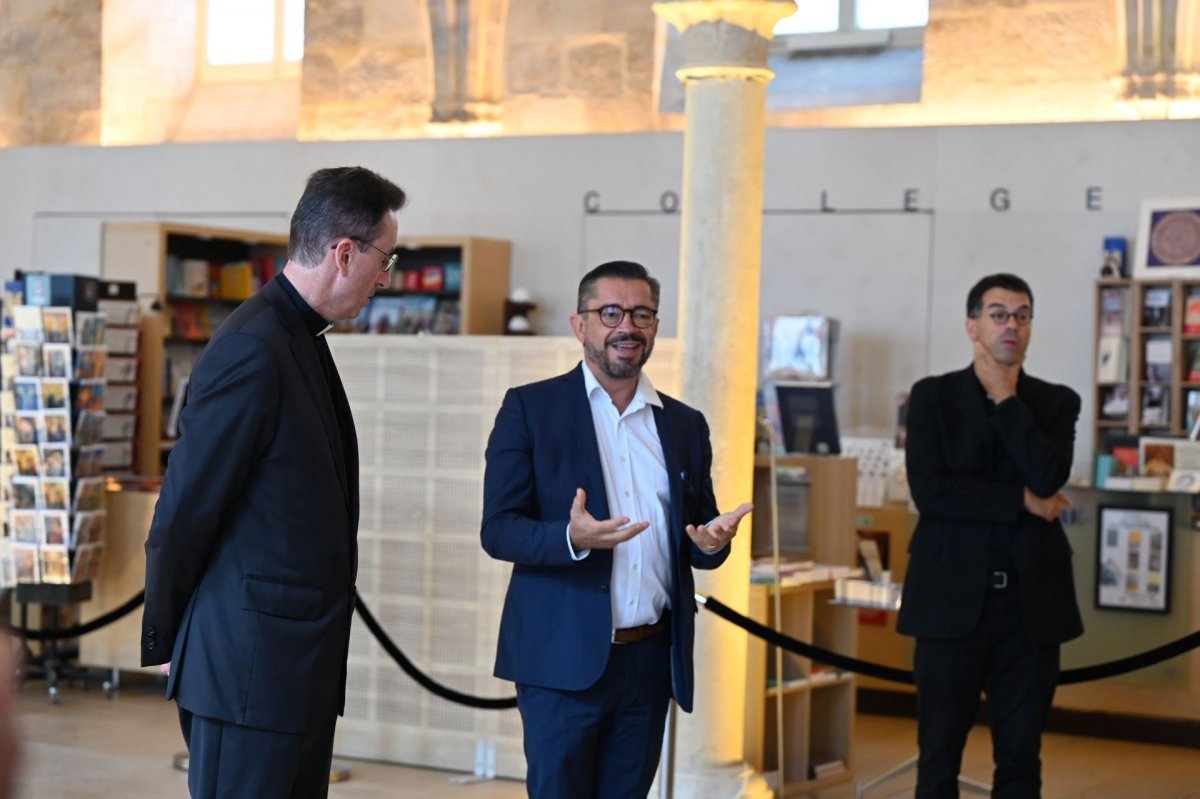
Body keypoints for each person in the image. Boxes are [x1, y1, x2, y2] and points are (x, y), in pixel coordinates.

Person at [140, 166, 407, 799]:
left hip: (291, 670)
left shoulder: (301, 337)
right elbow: (185, 508)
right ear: (345, 254)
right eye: (385, 260)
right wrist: (169, 635)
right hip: (247, 673)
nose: (385, 278)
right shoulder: (254, 347)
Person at [481, 260, 753, 798]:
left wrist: (711, 546)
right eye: (609, 313)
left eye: (641, 313)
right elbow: (499, 530)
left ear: (654, 325)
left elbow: (698, 533)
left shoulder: (684, 424)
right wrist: (569, 538)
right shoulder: (530, 409)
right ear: (580, 325)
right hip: (561, 661)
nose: (626, 326)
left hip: (648, 663)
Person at [897, 273, 1083, 798]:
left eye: (1022, 315)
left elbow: (1048, 475)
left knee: (1021, 757)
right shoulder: (932, 397)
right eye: (998, 314)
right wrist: (1021, 500)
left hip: (1030, 608)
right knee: (937, 756)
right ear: (972, 325)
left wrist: (1006, 400)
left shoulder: (1055, 402)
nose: (1011, 326)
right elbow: (931, 493)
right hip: (948, 602)